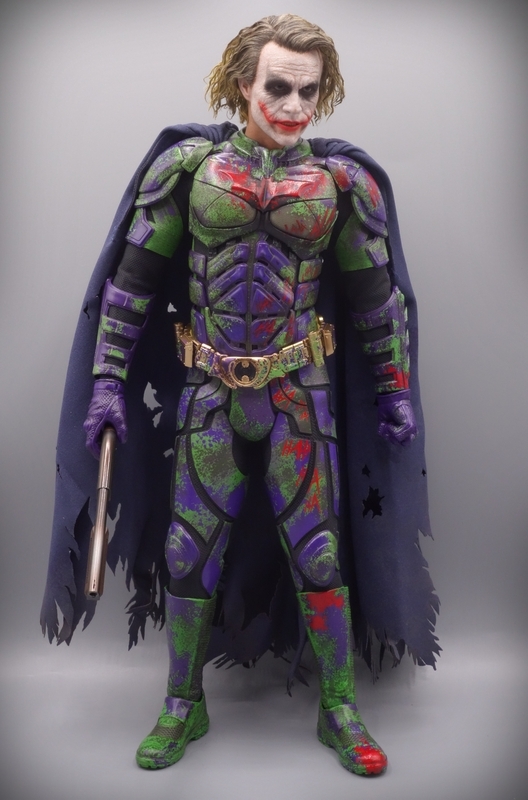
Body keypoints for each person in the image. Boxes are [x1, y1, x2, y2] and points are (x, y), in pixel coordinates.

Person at [42, 14, 439, 778]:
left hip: (300, 394)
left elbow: (374, 297)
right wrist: (106, 381)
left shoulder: (338, 184)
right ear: (241, 83)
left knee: (320, 552)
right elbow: (131, 284)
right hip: (209, 389)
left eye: (309, 91)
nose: (293, 106)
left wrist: (394, 388)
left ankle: (339, 706)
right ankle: (181, 704)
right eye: (278, 87)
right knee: (188, 550)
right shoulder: (189, 171)